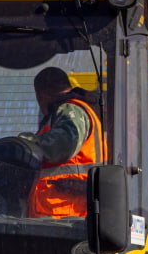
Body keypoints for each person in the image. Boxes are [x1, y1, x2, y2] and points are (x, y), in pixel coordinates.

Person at [27, 66, 106, 218]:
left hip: (64, 213)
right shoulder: (78, 110)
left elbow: (64, 144)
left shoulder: (71, 110)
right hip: (64, 212)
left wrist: (25, 144)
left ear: (40, 95)